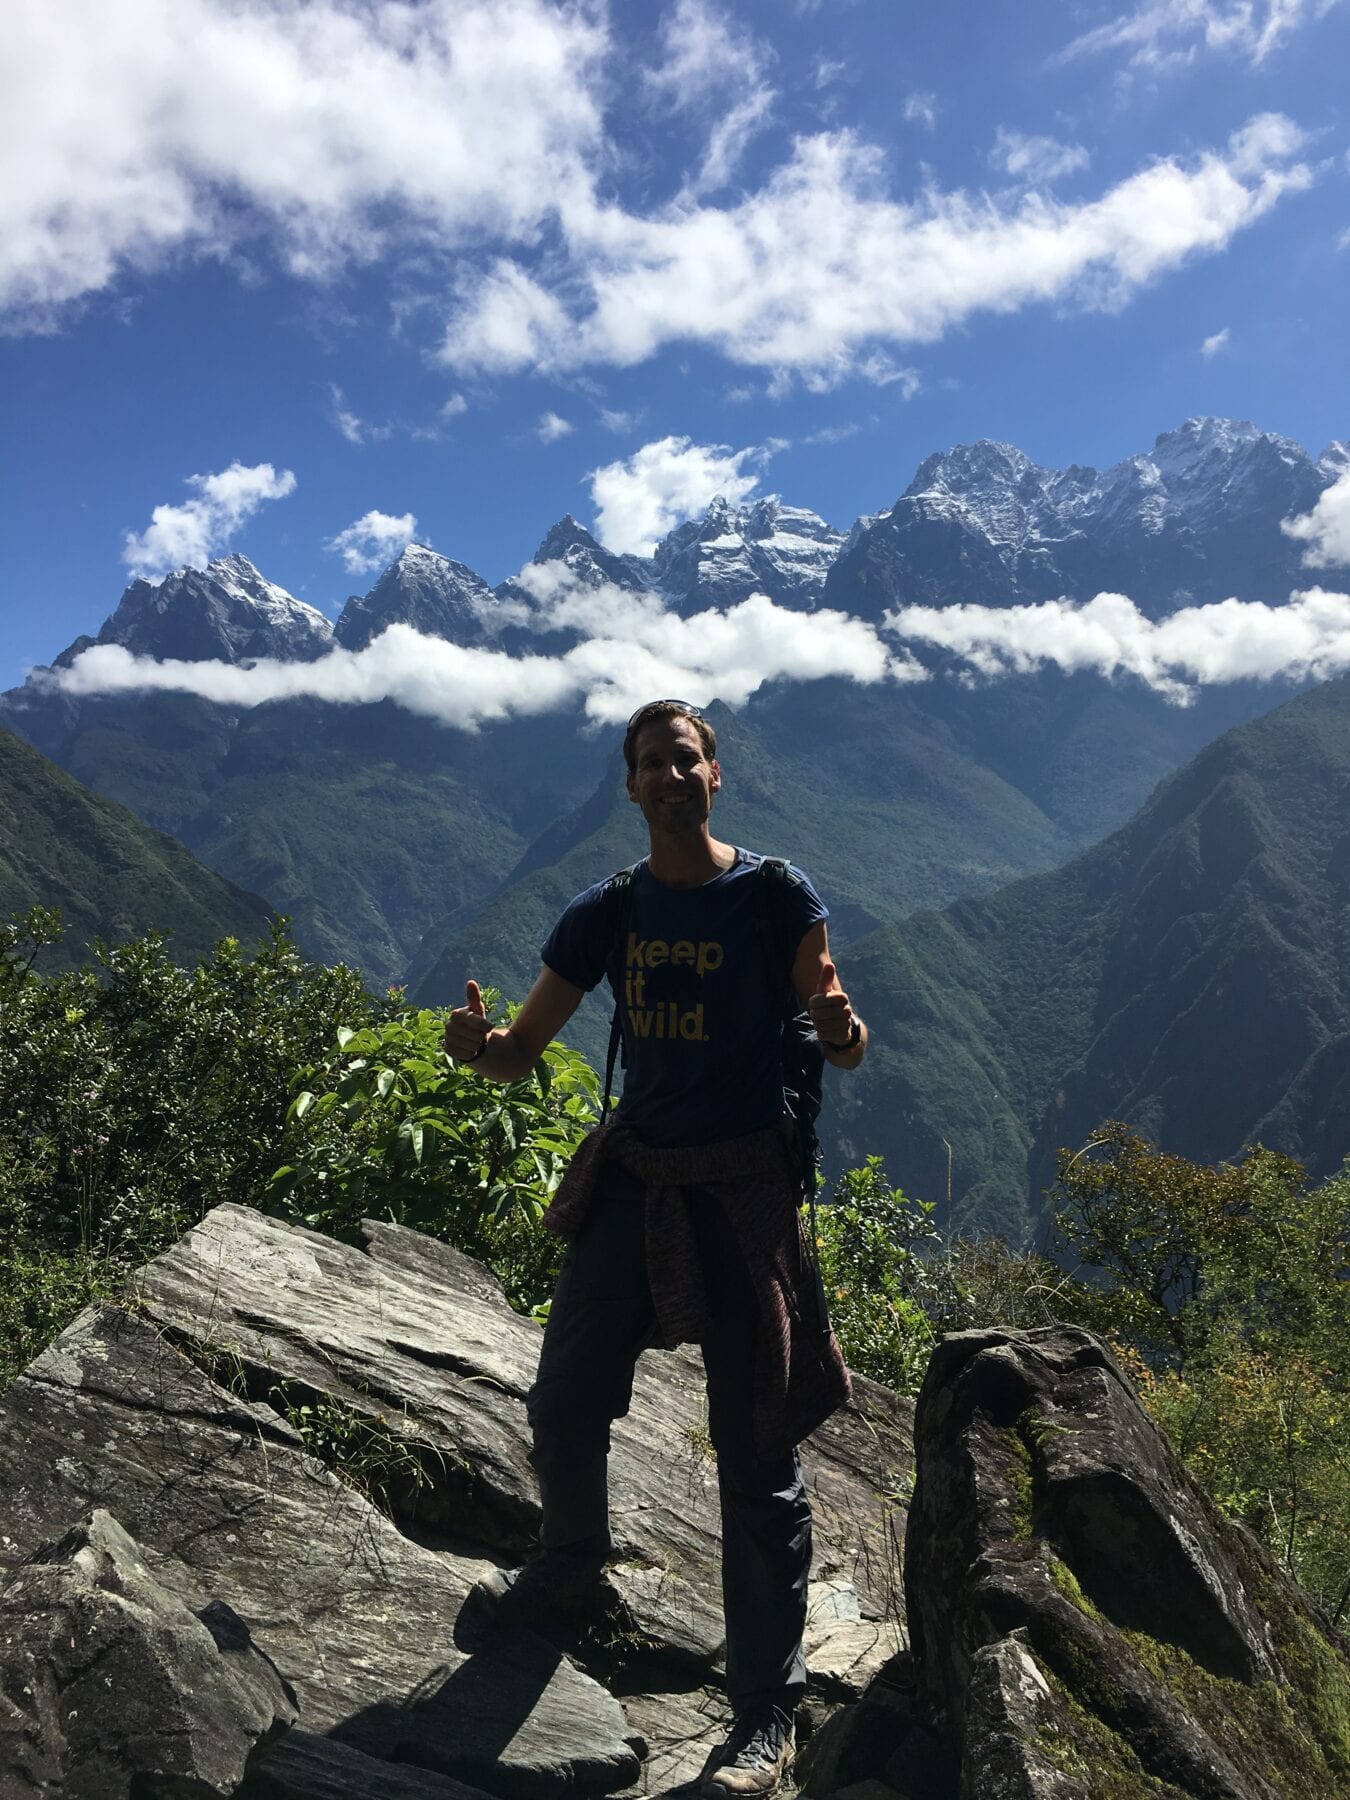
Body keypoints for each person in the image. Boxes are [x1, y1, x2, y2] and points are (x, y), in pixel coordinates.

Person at [444, 699, 867, 1797]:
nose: (670, 777)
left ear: (715, 775)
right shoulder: (608, 913)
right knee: (565, 1396)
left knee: (758, 1452)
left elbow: (842, 1032)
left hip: (745, 1196)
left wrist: (841, 1028)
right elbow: (519, 1052)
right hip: (640, 1185)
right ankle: (572, 1566)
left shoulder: (777, 899)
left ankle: (766, 1710)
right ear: (630, 789)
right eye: (650, 764)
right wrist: (475, 1047)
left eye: (686, 758)